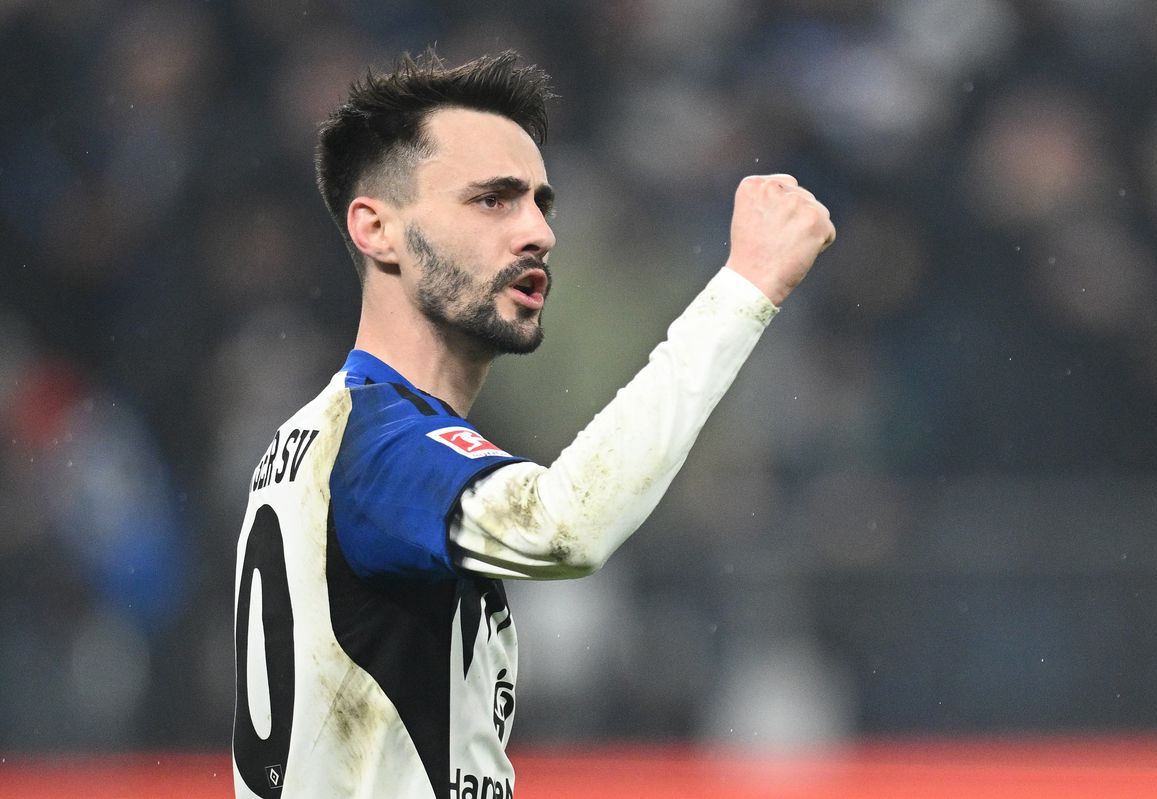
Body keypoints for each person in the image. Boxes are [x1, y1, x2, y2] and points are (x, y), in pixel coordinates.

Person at [232, 49, 834, 799]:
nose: (538, 233)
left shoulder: (323, 436)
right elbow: (564, 526)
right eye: (491, 200)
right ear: (376, 228)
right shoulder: (380, 441)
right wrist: (748, 285)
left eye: (540, 204)